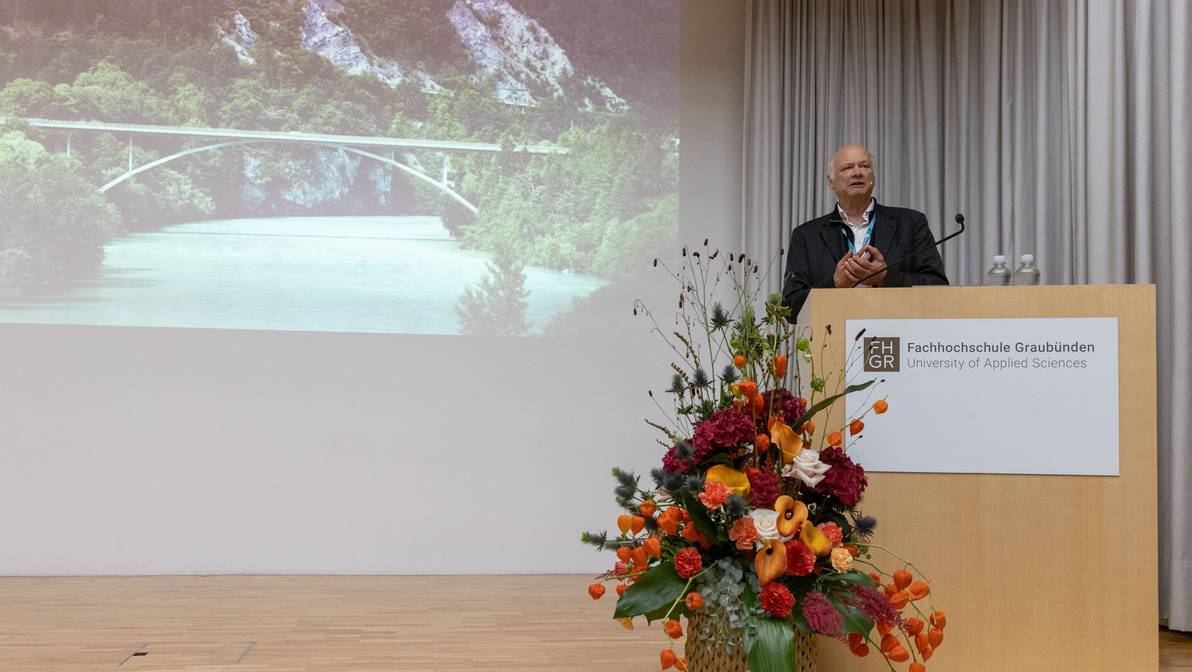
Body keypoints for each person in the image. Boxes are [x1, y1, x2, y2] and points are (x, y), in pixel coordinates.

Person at [781, 144, 949, 319]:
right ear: (830, 181)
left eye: (864, 166)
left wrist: (885, 277)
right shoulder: (807, 235)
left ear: (873, 178)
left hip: (898, 334)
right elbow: (790, 307)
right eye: (848, 167)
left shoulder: (911, 223)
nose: (857, 172)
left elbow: (938, 287)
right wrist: (835, 284)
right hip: (833, 339)